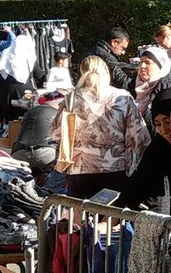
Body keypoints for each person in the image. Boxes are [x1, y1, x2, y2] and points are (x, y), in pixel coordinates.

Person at [59, 56, 150, 199]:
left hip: (79, 168)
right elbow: (139, 135)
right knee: (111, 218)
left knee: (78, 217)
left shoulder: (70, 99)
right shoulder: (122, 97)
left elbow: (56, 133)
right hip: (115, 167)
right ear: (106, 72)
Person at [119, 87, 171, 212]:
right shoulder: (160, 145)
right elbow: (141, 181)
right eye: (158, 124)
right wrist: (111, 218)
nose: (164, 131)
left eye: (168, 122)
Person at [11, 102, 59, 179]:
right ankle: (53, 188)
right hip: (46, 154)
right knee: (66, 162)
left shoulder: (29, 113)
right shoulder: (59, 115)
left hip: (18, 154)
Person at [88, 27, 134, 92]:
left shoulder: (95, 50)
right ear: (114, 42)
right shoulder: (106, 57)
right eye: (122, 48)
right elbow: (123, 82)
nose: (123, 52)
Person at [134, 45, 171, 118]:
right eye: (141, 62)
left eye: (147, 62)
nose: (142, 66)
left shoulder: (167, 90)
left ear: (161, 66)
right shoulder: (133, 87)